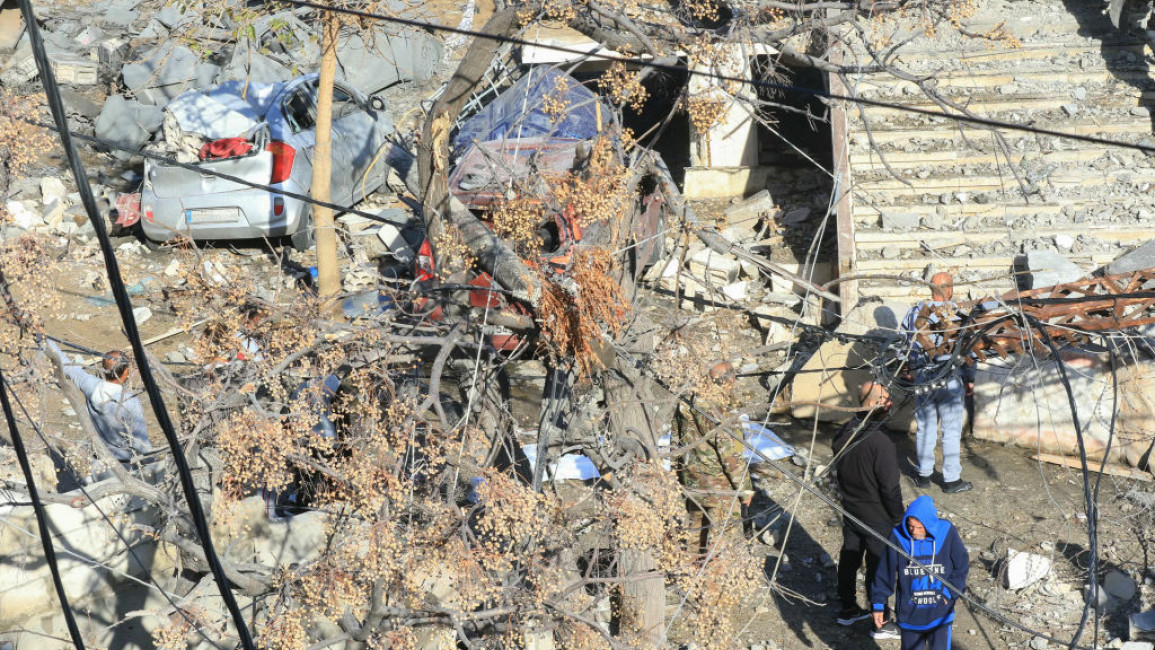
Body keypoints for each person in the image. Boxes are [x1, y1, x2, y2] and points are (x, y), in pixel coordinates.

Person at [833, 381, 904, 640]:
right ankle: (881, 621)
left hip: (851, 509)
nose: (891, 403)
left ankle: (848, 608)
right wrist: (899, 518)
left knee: (850, 558)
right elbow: (890, 488)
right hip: (877, 516)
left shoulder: (843, 432)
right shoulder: (880, 442)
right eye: (886, 399)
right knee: (878, 567)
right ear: (873, 403)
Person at [900, 272, 974, 493]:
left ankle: (923, 475)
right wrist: (970, 378)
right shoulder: (959, 312)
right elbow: (970, 351)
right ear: (949, 290)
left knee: (925, 427)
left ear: (931, 289)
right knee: (950, 430)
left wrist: (910, 370)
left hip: (923, 377)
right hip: (950, 378)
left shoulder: (914, 313)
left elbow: (905, 345)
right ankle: (951, 480)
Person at [872, 495, 970, 650]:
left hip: (940, 614)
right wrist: (878, 604)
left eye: (920, 527)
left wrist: (950, 593)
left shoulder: (947, 532)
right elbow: (885, 571)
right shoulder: (898, 536)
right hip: (909, 614)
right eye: (911, 526)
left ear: (929, 523)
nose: (914, 532)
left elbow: (962, 564)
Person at [675, 361, 753, 554]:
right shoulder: (721, 414)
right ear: (729, 381)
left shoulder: (686, 404)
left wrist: (677, 476)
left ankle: (690, 572)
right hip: (720, 489)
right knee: (723, 541)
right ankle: (713, 579)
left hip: (691, 482)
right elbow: (731, 458)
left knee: (694, 532)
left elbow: (674, 442)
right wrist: (746, 490)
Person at [44, 340, 153, 471]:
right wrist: (152, 464)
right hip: (127, 466)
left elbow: (66, 365)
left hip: (99, 465)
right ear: (126, 372)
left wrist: (43, 338)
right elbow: (140, 442)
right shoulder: (129, 402)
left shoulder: (91, 386)